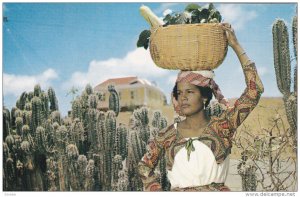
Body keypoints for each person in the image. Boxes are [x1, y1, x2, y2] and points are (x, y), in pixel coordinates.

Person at [137, 23, 264, 191]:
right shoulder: (166, 135)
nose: (183, 97)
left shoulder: (222, 126)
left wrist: (235, 45)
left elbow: (254, 91)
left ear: (205, 96)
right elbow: (144, 167)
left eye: (190, 92)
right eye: (179, 92)